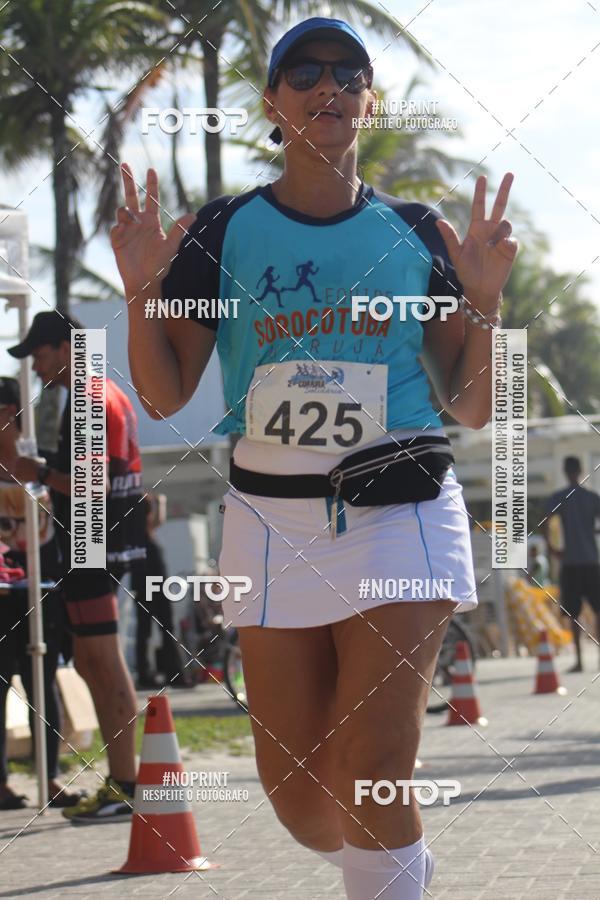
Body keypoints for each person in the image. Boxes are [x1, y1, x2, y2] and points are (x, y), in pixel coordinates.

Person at [111, 16, 517, 898]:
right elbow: (166, 394)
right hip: (269, 516)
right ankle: (397, 864)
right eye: (304, 72)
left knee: (374, 762)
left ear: (370, 104)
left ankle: (387, 871)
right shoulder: (223, 231)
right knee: (300, 800)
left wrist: (484, 302)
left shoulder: (420, 231)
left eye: (348, 72)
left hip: (400, 506)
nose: (326, 85)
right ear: (272, 102)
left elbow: (476, 404)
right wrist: (143, 293)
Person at [8, 313, 147, 823]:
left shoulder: (90, 397)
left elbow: (92, 487)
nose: (37, 367)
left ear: (66, 347)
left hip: (95, 541)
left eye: (40, 355)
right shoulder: (99, 391)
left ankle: (127, 783)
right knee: (91, 663)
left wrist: (37, 470)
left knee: (102, 663)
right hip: (97, 540)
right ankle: (123, 778)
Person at [0, 376, 86, 809]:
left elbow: (85, 490)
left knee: (43, 681)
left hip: (41, 588)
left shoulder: (40, 462)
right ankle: (1, 784)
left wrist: (45, 475)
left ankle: (50, 776)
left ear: (11, 413)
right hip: (1, 591)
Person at [541, 455, 600, 672]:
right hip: (591, 560)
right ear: (581, 470)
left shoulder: (559, 497)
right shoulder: (592, 497)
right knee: (597, 609)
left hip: (571, 561)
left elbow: (545, 523)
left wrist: (553, 549)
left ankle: (579, 659)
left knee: (573, 613)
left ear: (566, 471)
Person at [130, 493, 190, 688]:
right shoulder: (142, 536)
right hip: (151, 587)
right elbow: (157, 520)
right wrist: (160, 502)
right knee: (157, 631)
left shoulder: (140, 536)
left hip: (147, 587)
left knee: (148, 631)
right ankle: (166, 674)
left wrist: (159, 502)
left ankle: (153, 673)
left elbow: (157, 521)